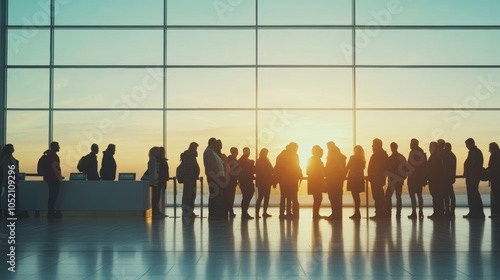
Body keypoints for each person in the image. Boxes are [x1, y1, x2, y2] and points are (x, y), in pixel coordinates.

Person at [274, 142, 302, 219]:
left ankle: (282, 213)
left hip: (283, 180)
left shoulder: (280, 156)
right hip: (292, 179)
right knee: (291, 196)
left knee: (283, 196)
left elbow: (278, 168)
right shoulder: (295, 156)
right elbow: (296, 166)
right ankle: (290, 212)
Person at [1, 144, 27, 218]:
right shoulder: (6, 159)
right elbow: (7, 171)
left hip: (12, 180)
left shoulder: (8, 158)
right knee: (12, 198)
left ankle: (13, 212)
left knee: (13, 197)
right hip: (10, 181)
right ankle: (11, 213)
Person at [203, 137, 226, 219]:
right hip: (214, 178)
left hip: (216, 177)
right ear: (212, 143)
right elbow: (211, 166)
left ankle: (215, 213)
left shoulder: (212, 152)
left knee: (216, 195)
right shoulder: (209, 152)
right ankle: (214, 213)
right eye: (215, 143)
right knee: (215, 195)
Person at [463, 138, 485, 219]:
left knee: (473, 194)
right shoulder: (474, 152)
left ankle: (476, 212)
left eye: (467, 144)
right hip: (472, 176)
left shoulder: (474, 152)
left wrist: (470, 173)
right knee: (473, 194)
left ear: (470, 144)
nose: (466, 146)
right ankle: (475, 212)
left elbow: (474, 165)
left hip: (473, 177)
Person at [385, 142, 408, 219]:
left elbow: (387, 169)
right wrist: (403, 177)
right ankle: (398, 213)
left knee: (388, 196)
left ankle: (388, 212)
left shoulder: (390, 158)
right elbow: (406, 168)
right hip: (399, 180)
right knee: (398, 196)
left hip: (392, 180)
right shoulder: (401, 157)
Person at [325, 141, 347, 220]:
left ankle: (335, 214)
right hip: (338, 180)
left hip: (332, 179)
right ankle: (337, 213)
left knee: (333, 196)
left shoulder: (332, 157)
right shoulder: (341, 157)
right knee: (336, 197)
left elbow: (329, 168)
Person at [367, 138, 388, 219]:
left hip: (376, 179)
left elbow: (377, 167)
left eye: (373, 144)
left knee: (377, 196)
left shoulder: (377, 155)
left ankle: (379, 212)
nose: (372, 146)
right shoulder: (382, 154)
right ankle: (380, 212)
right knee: (379, 196)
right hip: (377, 178)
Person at [407, 138, 427, 219]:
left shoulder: (413, 152)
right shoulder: (421, 152)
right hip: (419, 178)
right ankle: (420, 211)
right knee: (419, 195)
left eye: (411, 143)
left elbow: (410, 165)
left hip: (413, 178)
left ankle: (414, 212)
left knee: (413, 196)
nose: (410, 145)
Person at [180, 142, 200, 219]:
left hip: (190, 179)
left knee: (190, 195)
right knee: (189, 195)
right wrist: (192, 176)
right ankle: (187, 211)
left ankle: (189, 211)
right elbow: (188, 169)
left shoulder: (190, 155)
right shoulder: (189, 156)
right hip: (190, 179)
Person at [346, 145, 366, 219]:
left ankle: (357, 212)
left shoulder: (353, 157)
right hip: (359, 179)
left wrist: (343, 175)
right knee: (357, 196)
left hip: (353, 179)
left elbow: (348, 167)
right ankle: (357, 212)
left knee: (355, 195)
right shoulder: (362, 159)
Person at [45, 142, 63, 218]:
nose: (59, 147)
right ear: (55, 147)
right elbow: (56, 168)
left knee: (51, 197)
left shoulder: (48, 155)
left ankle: (51, 212)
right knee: (53, 196)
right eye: (58, 146)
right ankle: (51, 213)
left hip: (49, 178)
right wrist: (59, 178)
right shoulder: (54, 156)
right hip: (54, 179)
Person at [427, 141, 445, 219]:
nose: (430, 149)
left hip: (435, 181)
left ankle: (438, 212)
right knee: (437, 197)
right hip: (436, 180)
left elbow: (432, 169)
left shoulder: (435, 157)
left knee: (436, 196)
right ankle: (438, 212)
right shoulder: (436, 157)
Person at [307, 145, 326, 219]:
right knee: (318, 198)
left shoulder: (312, 159)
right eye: (321, 152)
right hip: (316, 182)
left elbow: (308, 171)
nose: (322, 154)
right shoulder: (316, 160)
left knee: (317, 198)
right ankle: (315, 214)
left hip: (314, 182)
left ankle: (316, 214)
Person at [255, 148, 274, 218]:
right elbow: (271, 169)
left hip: (262, 182)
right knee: (265, 197)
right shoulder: (265, 160)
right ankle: (263, 212)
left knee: (261, 197)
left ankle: (259, 213)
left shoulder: (259, 161)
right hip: (266, 181)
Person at [238, 147, 255, 219]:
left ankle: (244, 211)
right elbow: (246, 171)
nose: (248, 153)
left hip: (247, 181)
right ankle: (244, 212)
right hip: (245, 181)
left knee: (247, 196)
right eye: (248, 152)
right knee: (246, 196)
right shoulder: (241, 161)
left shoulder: (242, 160)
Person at [148, 146, 164, 218]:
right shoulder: (153, 160)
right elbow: (153, 172)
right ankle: (155, 212)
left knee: (156, 198)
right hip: (154, 182)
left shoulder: (153, 160)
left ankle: (156, 212)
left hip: (154, 182)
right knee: (155, 198)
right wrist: (155, 181)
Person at [443, 142, 457, 217]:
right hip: (450, 177)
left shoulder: (447, 156)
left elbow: (446, 167)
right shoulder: (453, 156)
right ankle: (452, 211)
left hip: (446, 178)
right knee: (451, 195)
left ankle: (448, 211)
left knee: (447, 195)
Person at [487, 142, 500, 218]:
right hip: (496, 178)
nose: (489, 150)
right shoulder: (497, 155)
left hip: (495, 179)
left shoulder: (494, 155)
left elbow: (494, 167)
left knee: (497, 195)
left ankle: (497, 213)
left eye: (490, 148)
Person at [226, 147, 239, 218]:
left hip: (230, 180)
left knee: (229, 196)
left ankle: (229, 210)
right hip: (231, 181)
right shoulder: (233, 159)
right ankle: (230, 210)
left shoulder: (229, 159)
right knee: (230, 196)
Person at [157, 146, 169, 217]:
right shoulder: (161, 161)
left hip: (161, 180)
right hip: (161, 180)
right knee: (157, 196)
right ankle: (157, 211)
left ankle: (158, 210)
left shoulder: (161, 160)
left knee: (158, 196)